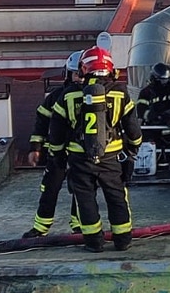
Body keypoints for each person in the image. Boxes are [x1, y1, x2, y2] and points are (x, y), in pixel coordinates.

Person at [58, 46, 142, 253]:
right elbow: (132, 128)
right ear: (110, 69)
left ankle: (94, 242)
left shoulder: (69, 95)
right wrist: (133, 148)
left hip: (79, 158)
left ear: (83, 70)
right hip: (110, 157)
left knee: (85, 198)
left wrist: (57, 154)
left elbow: (57, 130)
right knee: (116, 196)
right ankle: (123, 239)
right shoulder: (120, 93)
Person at [22, 50, 83, 238]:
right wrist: (35, 148)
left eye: (82, 74)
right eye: (76, 74)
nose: (79, 79)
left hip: (80, 153)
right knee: (49, 189)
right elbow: (41, 122)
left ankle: (80, 226)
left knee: (82, 191)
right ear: (68, 74)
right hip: (56, 154)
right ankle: (41, 227)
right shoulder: (56, 96)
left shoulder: (92, 96)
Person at [136, 62, 170, 165]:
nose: (164, 82)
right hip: (152, 132)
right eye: (162, 80)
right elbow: (141, 110)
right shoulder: (146, 92)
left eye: (166, 80)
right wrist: (155, 117)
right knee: (153, 158)